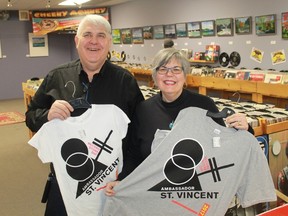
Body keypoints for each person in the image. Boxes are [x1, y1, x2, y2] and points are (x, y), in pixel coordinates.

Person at [105, 48, 255, 214]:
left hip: (195, 198)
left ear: (185, 76)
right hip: (155, 199)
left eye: (176, 69)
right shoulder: (143, 110)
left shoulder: (204, 106)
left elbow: (223, 149)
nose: (169, 75)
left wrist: (246, 130)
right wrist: (123, 182)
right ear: (154, 76)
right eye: (163, 69)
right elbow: (134, 153)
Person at [25, 14, 144, 216]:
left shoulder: (125, 82)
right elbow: (30, 117)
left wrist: (125, 176)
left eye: (101, 35)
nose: (94, 41)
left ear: (109, 42)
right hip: (65, 184)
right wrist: (47, 115)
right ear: (77, 40)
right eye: (87, 34)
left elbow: (137, 134)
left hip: (112, 184)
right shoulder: (56, 77)